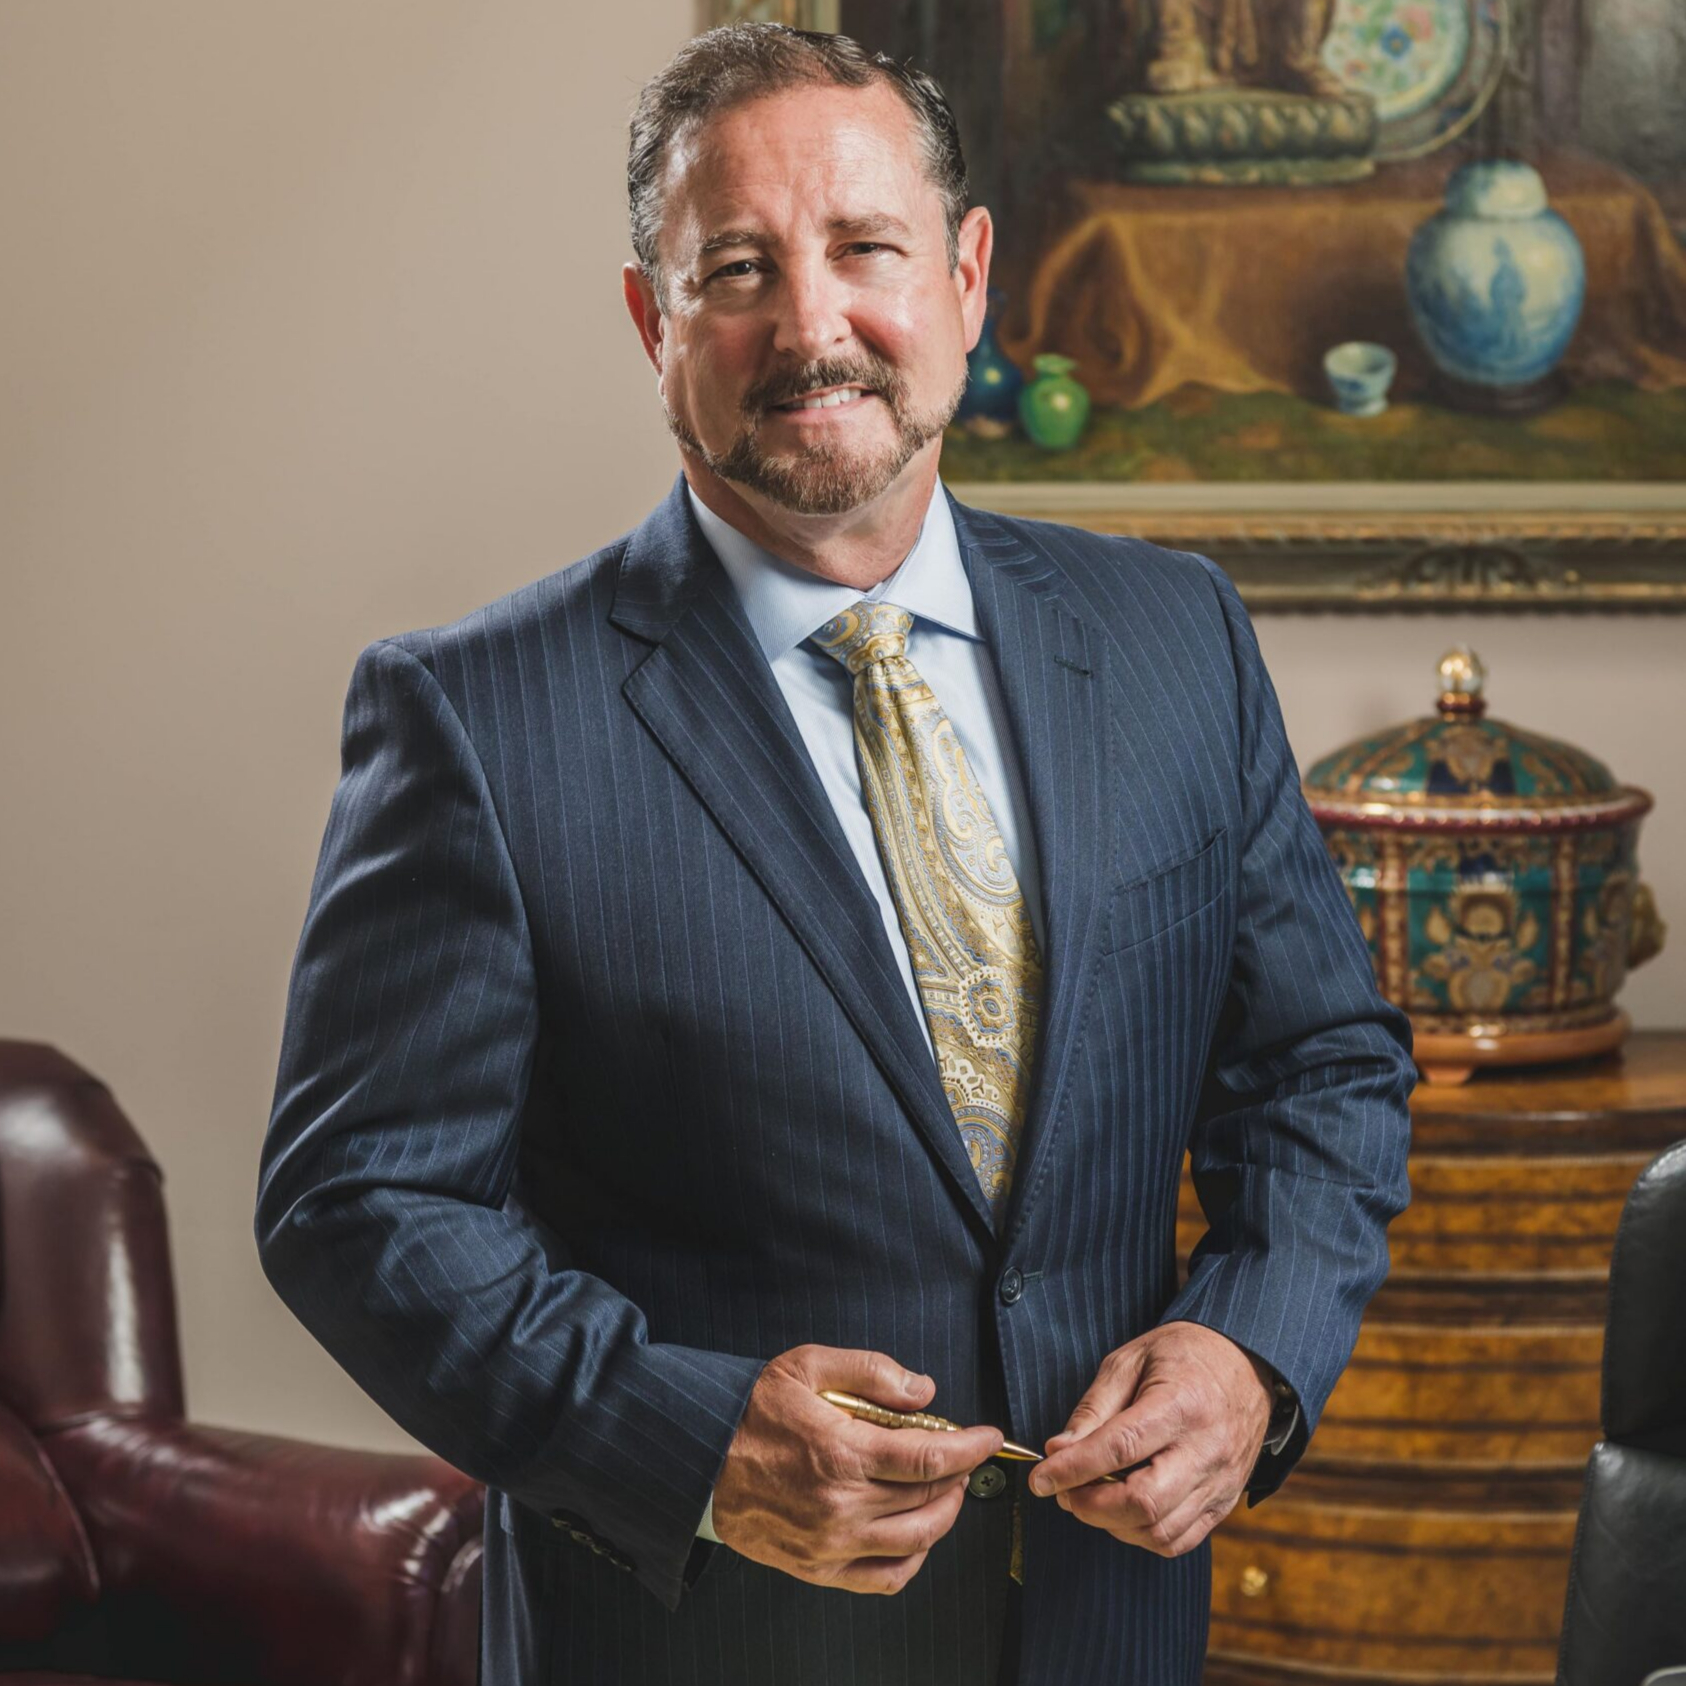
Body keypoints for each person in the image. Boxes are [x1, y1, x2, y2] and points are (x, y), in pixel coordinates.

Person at [254, 21, 1414, 1686]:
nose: (813, 326)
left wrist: (1251, 1355)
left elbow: (1320, 1064)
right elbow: (359, 1202)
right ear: (654, 323)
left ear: (966, 276)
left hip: (1109, 1626)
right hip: (696, 1642)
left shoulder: (1176, 636)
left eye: (866, 247)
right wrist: (689, 1438)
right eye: (737, 269)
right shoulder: (474, 716)